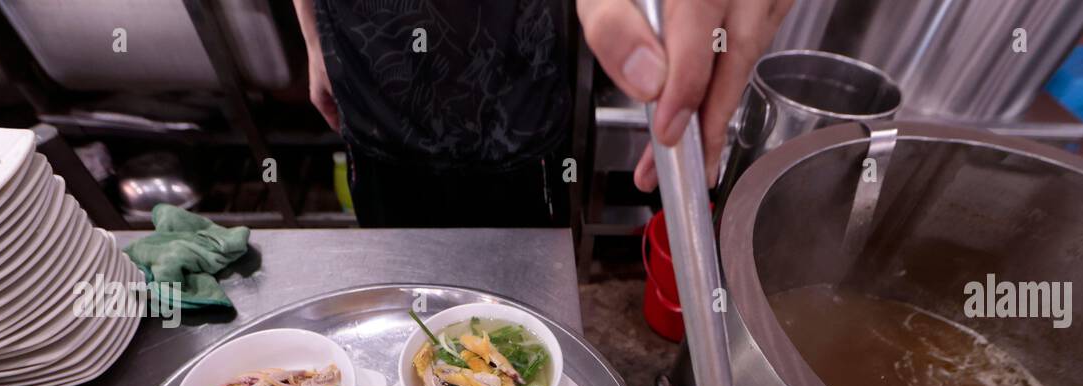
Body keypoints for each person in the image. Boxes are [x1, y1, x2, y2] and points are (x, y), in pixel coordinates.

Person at [292, 0, 791, 227]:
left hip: (516, 102)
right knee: (403, 289)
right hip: (373, 80)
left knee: (524, 305)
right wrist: (314, 35)